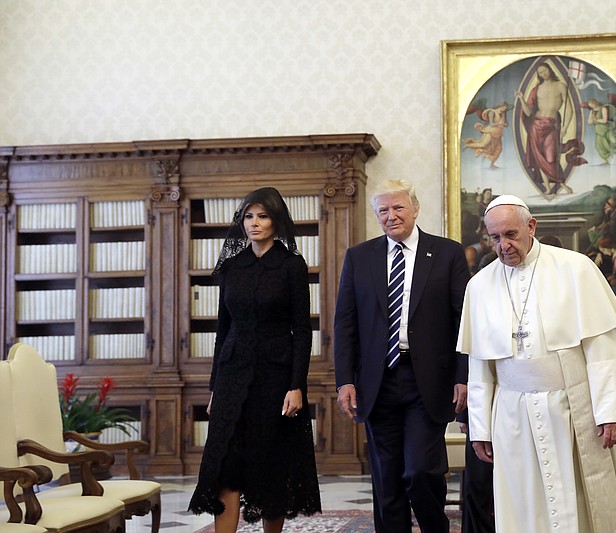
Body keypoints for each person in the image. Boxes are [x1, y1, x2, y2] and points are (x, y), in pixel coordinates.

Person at [457, 194, 616, 532]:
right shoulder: (479, 285)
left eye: (511, 235)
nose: (503, 245)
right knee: (523, 500)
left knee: (579, 497)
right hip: (511, 414)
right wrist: (479, 427)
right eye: (495, 238)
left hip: (571, 407)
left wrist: (611, 410)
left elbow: (602, 348)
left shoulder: (575, 268)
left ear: (531, 227)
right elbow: (480, 366)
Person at [334, 179, 470, 533]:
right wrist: (345, 380)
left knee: (421, 469)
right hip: (377, 382)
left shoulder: (447, 253)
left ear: (415, 209)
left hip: (427, 380)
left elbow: (464, 320)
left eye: (398, 208)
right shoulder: (359, 257)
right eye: (383, 210)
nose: (391, 216)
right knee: (387, 478)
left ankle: (434, 528)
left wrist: (463, 375)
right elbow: (345, 323)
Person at [188, 187, 321, 533]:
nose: (254, 223)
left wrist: (296, 385)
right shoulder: (232, 267)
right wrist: (215, 387)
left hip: (275, 378)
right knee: (226, 464)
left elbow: (302, 330)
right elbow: (223, 329)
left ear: (277, 221)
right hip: (232, 375)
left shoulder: (292, 265)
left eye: (262, 216)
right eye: (249, 216)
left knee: (270, 464)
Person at [515, 62, 584, 195]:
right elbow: (528, 112)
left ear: (550, 70)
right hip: (536, 125)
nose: (543, 74)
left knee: (551, 157)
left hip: (551, 125)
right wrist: (522, 99)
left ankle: (562, 185)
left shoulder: (560, 86)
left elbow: (569, 108)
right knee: (539, 157)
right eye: (540, 73)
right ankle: (547, 187)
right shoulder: (537, 89)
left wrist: (565, 127)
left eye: (545, 71)